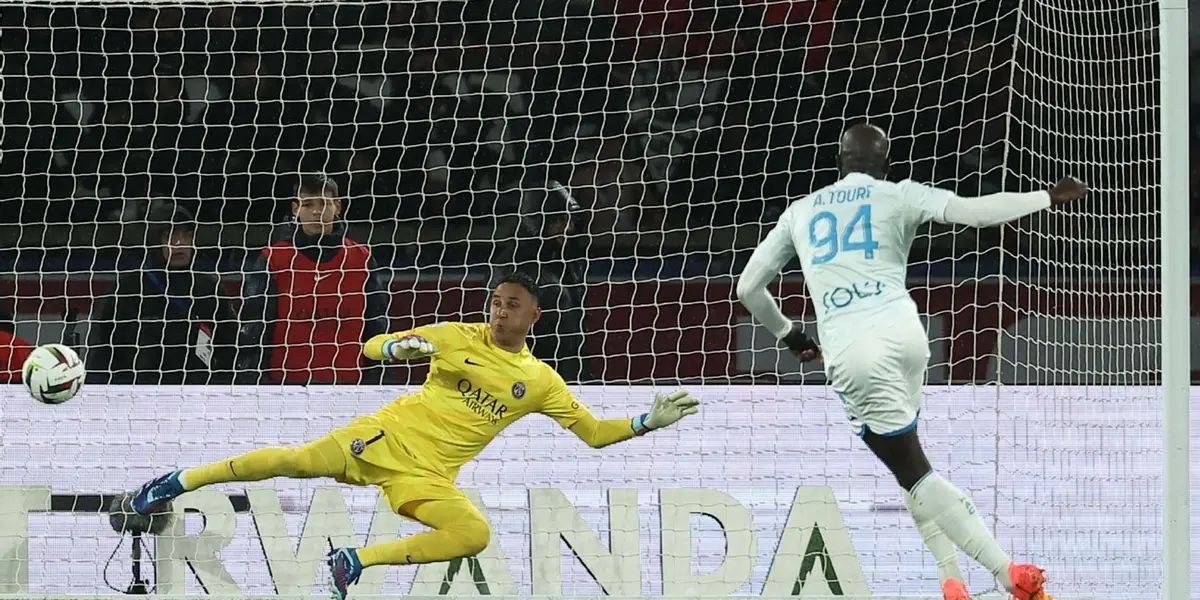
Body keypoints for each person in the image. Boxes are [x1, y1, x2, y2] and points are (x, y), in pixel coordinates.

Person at [128, 272, 700, 600]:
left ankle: (354, 560)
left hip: (426, 477)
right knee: (296, 461)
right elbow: (369, 346)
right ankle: (176, 481)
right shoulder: (455, 336)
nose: (501, 314)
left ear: (535, 317)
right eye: (496, 303)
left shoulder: (540, 381)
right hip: (385, 437)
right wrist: (399, 347)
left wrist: (647, 422)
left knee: (473, 533)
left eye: (513, 307)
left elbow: (595, 433)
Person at [735, 124, 1087, 600]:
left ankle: (1010, 575)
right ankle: (951, 581)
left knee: (915, 472)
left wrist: (789, 332)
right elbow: (974, 213)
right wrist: (1046, 195)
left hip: (854, 350)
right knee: (912, 466)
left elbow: (748, 289)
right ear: (885, 163)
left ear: (838, 161)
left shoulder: (800, 212)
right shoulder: (900, 193)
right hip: (906, 336)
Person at [236, 174, 390, 384]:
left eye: (324, 204)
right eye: (308, 204)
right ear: (295, 209)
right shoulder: (272, 260)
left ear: (337, 206)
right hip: (285, 388)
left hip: (351, 387)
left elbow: (376, 325)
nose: (317, 212)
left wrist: (378, 381)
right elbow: (255, 329)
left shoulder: (361, 258)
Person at [86, 202, 238, 384]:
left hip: (197, 399)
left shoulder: (210, 289)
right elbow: (101, 353)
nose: (180, 243)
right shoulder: (127, 289)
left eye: (186, 235)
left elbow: (230, 351)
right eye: (170, 235)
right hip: (137, 399)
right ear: (154, 240)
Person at [494, 179, 592, 382]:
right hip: (525, 377)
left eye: (570, 220)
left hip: (564, 375)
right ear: (540, 221)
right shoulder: (512, 265)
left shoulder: (565, 262)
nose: (569, 228)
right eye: (560, 220)